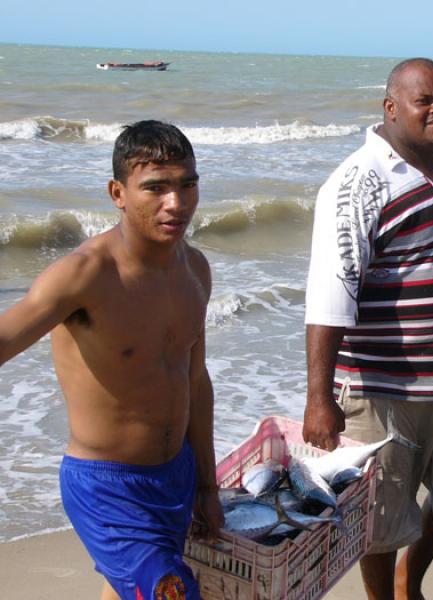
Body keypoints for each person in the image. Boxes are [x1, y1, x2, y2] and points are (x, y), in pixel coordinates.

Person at [0, 120, 222, 600]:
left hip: (175, 475)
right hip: (106, 486)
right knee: (171, 592)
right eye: (156, 189)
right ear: (117, 193)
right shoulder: (85, 274)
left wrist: (207, 485)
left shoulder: (196, 270)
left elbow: (195, 380)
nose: (176, 204)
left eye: (187, 185)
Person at [303, 58, 433, 600]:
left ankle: (412, 578)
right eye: (424, 101)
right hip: (382, 392)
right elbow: (329, 293)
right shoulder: (356, 185)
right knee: (381, 523)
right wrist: (320, 398)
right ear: (390, 109)